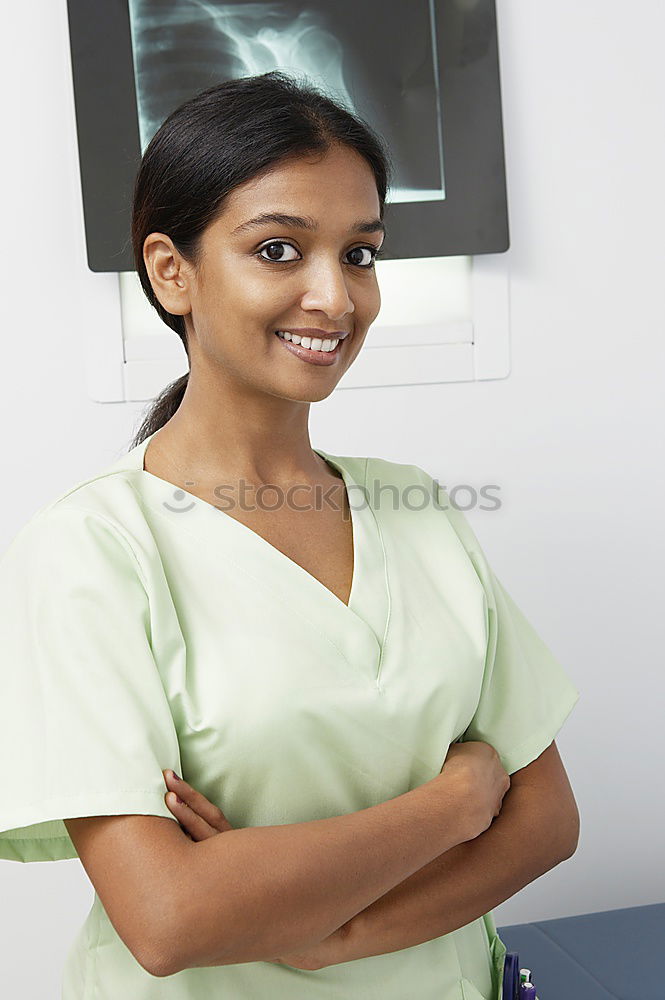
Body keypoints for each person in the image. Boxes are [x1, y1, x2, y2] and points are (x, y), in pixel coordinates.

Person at [0, 71, 580, 999]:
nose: (335, 298)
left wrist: (341, 935)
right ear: (170, 270)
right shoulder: (92, 551)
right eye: (279, 249)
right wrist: (455, 801)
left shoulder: (416, 507)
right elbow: (170, 917)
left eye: (359, 253)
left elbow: (546, 819)